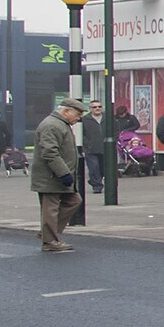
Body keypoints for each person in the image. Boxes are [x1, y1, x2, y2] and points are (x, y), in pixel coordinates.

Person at [31, 98, 84, 252]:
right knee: (50, 209)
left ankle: (47, 233)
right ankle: (49, 241)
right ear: (66, 111)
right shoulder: (52, 125)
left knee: (74, 200)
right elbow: (50, 153)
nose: (79, 118)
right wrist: (64, 173)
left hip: (58, 176)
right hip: (51, 177)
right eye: (77, 114)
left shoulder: (61, 124)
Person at [80, 100, 109, 193]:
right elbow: (81, 133)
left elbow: (115, 130)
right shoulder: (85, 119)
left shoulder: (108, 118)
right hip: (91, 149)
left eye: (99, 107)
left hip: (105, 148)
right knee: (94, 167)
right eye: (94, 107)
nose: (97, 108)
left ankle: (94, 180)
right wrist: (87, 143)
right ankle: (97, 186)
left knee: (103, 168)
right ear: (90, 109)